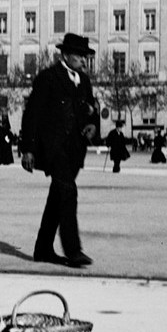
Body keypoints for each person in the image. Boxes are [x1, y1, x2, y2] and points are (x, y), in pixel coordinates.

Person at [19, 33, 100, 267]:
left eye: (85, 56)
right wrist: (28, 150)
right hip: (54, 149)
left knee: (58, 197)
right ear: (65, 55)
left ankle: (43, 249)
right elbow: (31, 115)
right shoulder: (48, 78)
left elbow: (91, 110)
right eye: (80, 56)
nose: (84, 61)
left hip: (75, 150)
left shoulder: (84, 81)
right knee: (68, 193)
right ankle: (73, 250)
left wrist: (92, 125)